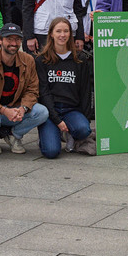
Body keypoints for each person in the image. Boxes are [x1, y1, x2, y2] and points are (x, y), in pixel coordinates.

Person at [0, 23, 50, 154]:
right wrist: (3, 110)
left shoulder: (28, 60)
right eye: (9, 39)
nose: (14, 43)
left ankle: (15, 135)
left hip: (16, 109)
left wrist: (23, 108)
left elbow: (32, 90)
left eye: (17, 39)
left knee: (42, 112)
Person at [35, 17, 95, 157]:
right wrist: (57, 120)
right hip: (50, 112)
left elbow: (86, 91)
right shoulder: (41, 60)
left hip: (71, 109)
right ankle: (49, 135)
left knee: (83, 130)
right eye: (58, 31)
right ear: (51, 34)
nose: (62, 35)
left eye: (66, 31)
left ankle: (70, 132)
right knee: (51, 152)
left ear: (70, 34)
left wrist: (86, 119)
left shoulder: (80, 59)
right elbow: (43, 93)